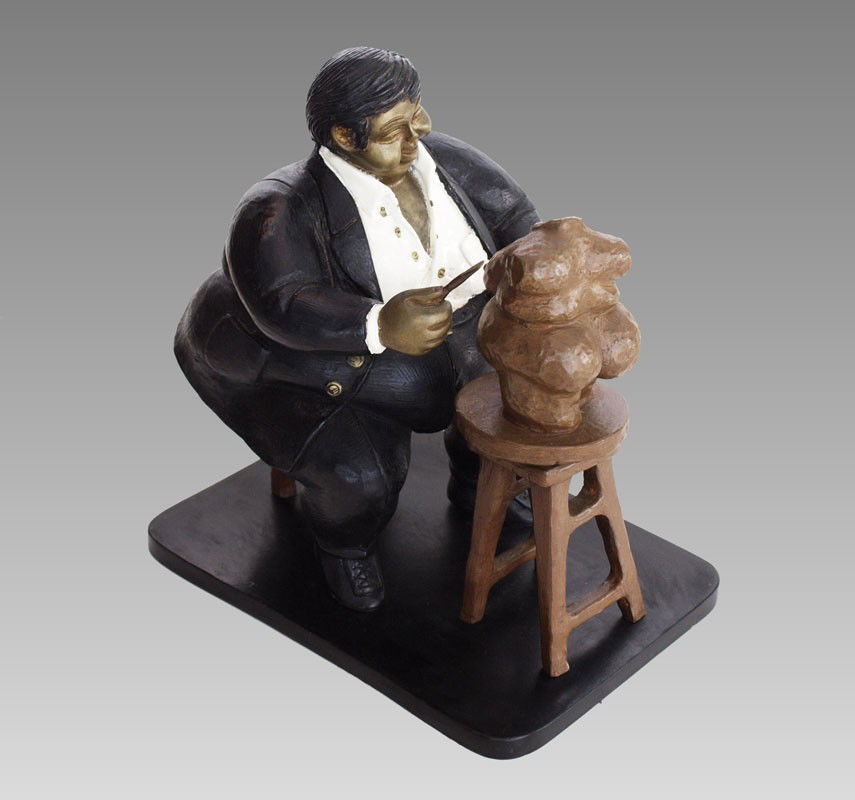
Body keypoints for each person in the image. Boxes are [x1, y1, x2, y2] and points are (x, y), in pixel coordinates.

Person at [175, 47, 539, 610]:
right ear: (345, 136)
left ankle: (477, 489)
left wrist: (535, 257)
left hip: (462, 338)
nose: (420, 134)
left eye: (418, 114)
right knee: (360, 476)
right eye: (395, 130)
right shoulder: (276, 208)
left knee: (502, 404)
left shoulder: (441, 159)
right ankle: (345, 548)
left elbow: (514, 214)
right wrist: (378, 323)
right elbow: (283, 303)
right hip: (325, 369)